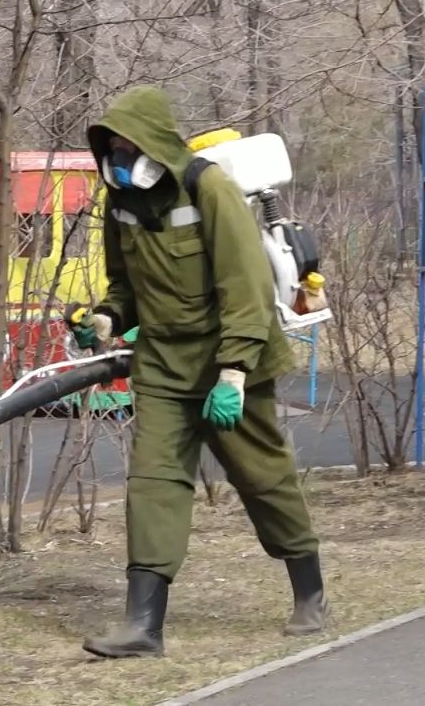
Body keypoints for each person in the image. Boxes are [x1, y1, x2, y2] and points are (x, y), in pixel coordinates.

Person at [71, 84, 329, 659]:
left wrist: (234, 372)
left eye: (127, 147)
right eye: (111, 149)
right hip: (163, 365)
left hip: (230, 360)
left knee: (261, 477)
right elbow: (124, 286)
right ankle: (143, 627)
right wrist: (107, 320)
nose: (119, 159)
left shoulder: (208, 188)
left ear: (154, 144)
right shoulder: (120, 204)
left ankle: (309, 591)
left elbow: (246, 286)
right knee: (153, 483)